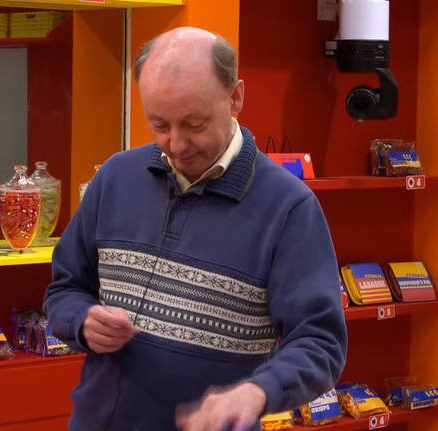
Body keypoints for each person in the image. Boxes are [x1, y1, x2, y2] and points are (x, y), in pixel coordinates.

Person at [43, 26, 348, 431]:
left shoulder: (290, 208)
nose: (177, 144)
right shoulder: (115, 177)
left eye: (194, 124)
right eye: (159, 125)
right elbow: (64, 289)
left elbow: (321, 342)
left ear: (235, 97)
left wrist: (257, 391)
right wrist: (81, 319)